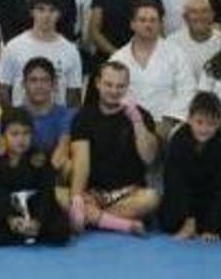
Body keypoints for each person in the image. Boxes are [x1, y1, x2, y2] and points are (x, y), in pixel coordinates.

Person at [68, 62, 160, 235]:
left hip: (128, 194)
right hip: (93, 194)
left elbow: (149, 157)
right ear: (97, 84)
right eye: (109, 85)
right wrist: (77, 199)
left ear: (127, 87)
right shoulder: (84, 116)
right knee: (59, 195)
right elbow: (81, 163)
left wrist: (137, 122)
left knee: (151, 198)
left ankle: (94, 219)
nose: (114, 91)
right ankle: (117, 223)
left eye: (120, 86)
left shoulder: (141, 114)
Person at [0, 108, 71, 246]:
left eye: (26, 133)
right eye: (14, 134)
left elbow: (46, 193)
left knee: (61, 230)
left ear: (32, 134)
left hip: (37, 211)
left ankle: (30, 232)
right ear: (3, 137)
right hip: (11, 213)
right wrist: (11, 220)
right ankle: (21, 232)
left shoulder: (42, 160)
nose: (21, 139)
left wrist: (38, 221)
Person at [160, 93, 221, 241]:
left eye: (211, 124)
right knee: (168, 221)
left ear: (219, 123)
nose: (204, 129)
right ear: (189, 119)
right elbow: (174, 181)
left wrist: (212, 227)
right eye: (199, 122)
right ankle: (189, 223)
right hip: (184, 198)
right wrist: (188, 218)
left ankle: (205, 224)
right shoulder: (179, 139)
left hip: (211, 199)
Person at [109, 1, 196, 131]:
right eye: (142, 20)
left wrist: (169, 120)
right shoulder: (118, 58)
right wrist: (136, 121)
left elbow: (187, 90)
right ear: (132, 24)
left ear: (160, 24)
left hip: (169, 125)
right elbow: (112, 94)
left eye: (153, 20)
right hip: (127, 125)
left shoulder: (176, 54)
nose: (148, 25)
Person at [0, 0, 83, 110]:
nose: (46, 15)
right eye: (41, 9)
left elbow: (74, 93)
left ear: (59, 14)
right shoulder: (13, 47)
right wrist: (13, 116)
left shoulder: (71, 50)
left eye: (52, 10)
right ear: (32, 12)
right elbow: (1, 88)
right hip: (23, 121)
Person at [18, 58, 75, 161]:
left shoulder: (68, 116)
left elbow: (62, 153)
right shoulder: (12, 116)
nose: (39, 86)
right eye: (33, 80)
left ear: (54, 84)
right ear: (23, 84)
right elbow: (3, 155)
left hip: (54, 173)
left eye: (45, 80)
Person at [167, 0, 221, 81]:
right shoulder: (172, 43)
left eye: (204, 11)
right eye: (193, 12)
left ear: (212, 15)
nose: (200, 16)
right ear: (185, 17)